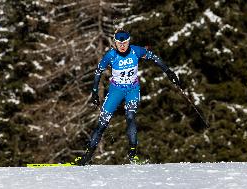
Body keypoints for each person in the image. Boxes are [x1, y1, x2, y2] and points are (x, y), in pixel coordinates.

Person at [74, 29, 180, 165]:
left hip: (132, 90)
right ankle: (87, 157)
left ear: (129, 41)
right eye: (119, 43)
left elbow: (155, 58)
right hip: (116, 91)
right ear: (115, 43)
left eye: (125, 43)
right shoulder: (110, 55)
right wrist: (94, 92)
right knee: (102, 124)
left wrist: (169, 72)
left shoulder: (136, 51)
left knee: (130, 117)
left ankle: (133, 155)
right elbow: (98, 72)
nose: (122, 46)